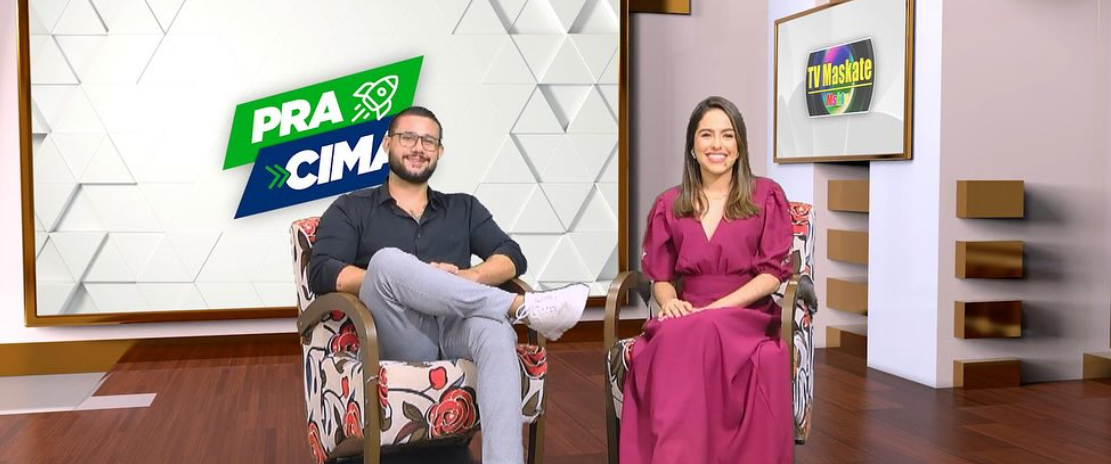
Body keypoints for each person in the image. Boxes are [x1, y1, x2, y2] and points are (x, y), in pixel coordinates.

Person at [308, 105, 590, 464]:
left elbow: (511, 256)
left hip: (458, 327)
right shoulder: (352, 207)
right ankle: (519, 307)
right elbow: (322, 270)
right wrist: (395, 278)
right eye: (408, 137)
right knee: (386, 261)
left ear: (439, 151)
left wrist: (467, 277)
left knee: (496, 332)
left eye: (429, 141)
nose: (418, 147)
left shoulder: (463, 208)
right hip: (397, 333)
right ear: (387, 144)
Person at [620, 96, 794, 464]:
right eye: (707, 135)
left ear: (740, 146)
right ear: (692, 147)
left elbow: (771, 276)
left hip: (747, 314)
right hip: (689, 313)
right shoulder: (669, 204)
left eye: (728, 135)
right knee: (672, 334)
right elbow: (661, 277)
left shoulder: (767, 195)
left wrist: (714, 310)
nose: (718, 145)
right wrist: (670, 301)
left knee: (697, 329)